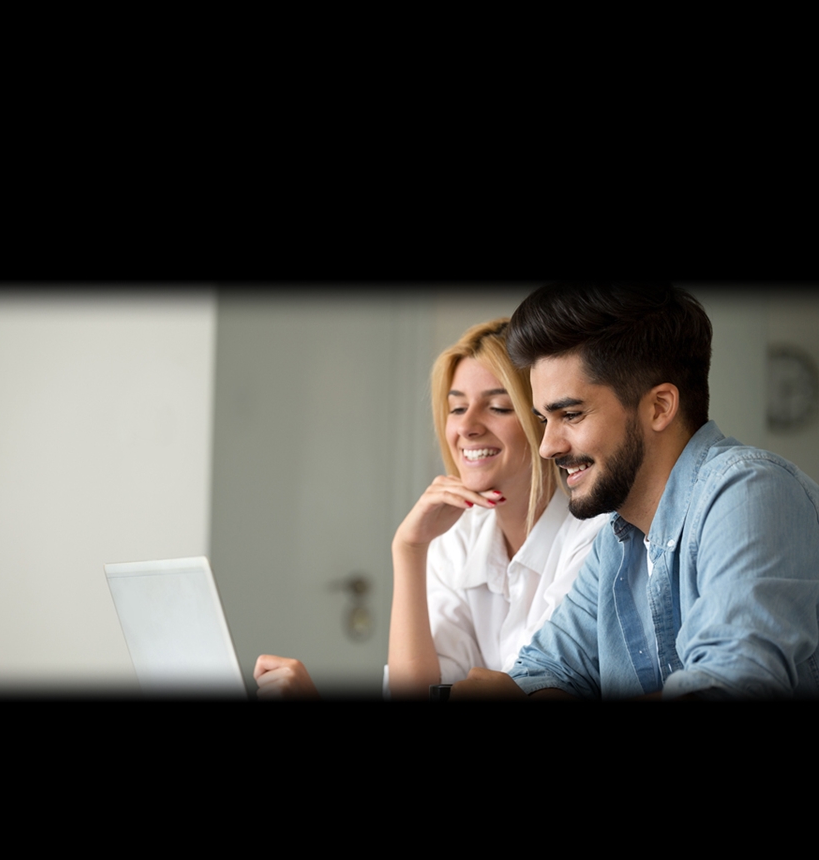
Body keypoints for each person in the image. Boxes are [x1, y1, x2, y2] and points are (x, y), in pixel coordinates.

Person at [444, 283, 819, 700]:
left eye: (570, 414)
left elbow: (729, 686)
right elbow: (542, 671)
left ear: (659, 407)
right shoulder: (618, 539)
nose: (548, 445)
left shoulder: (749, 494)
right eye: (543, 419)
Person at [254, 318, 603, 699]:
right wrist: (409, 549)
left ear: (540, 421)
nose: (467, 427)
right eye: (457, 408)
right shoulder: (456, 539)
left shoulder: (593, 538)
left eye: (498, 407)